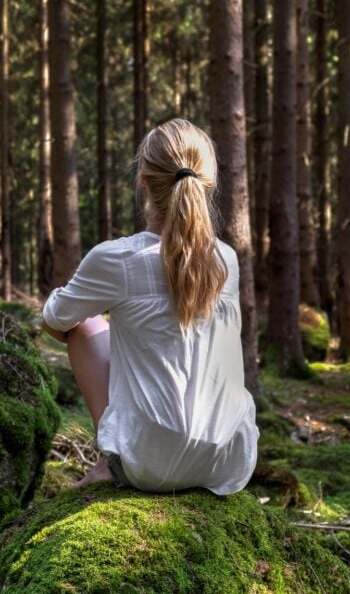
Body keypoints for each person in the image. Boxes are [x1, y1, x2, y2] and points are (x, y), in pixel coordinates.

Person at [42, 118, 259, 494]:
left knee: (84, 324)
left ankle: (111, 461)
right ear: (207, 182)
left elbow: (54, 318)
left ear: (143, 178)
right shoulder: (226, 259)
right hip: (228, 461)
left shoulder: (117, 258)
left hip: (150, 464)